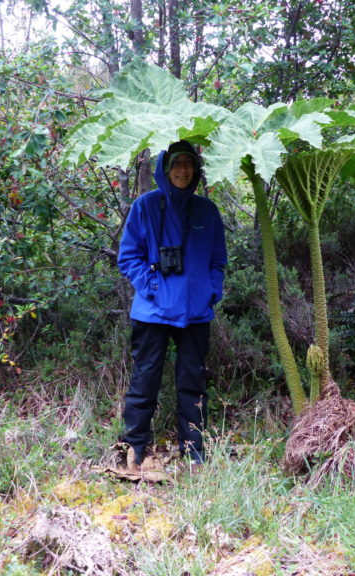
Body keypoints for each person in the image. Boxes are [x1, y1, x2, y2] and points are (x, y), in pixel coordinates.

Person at [117, 140, 227, 467]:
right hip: (152, 310)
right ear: (165, 168)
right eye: (176, 163)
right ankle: (135, 448)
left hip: (195, 312)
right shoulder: (146, 206)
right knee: (145, 379)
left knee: (192, 382)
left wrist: (211, 290)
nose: (182, 170)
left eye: (188, 164)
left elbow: (218, 262)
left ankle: (193, 452)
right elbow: (129, 257)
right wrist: (151, 286)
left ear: (195, 169)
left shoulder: (207, 211)